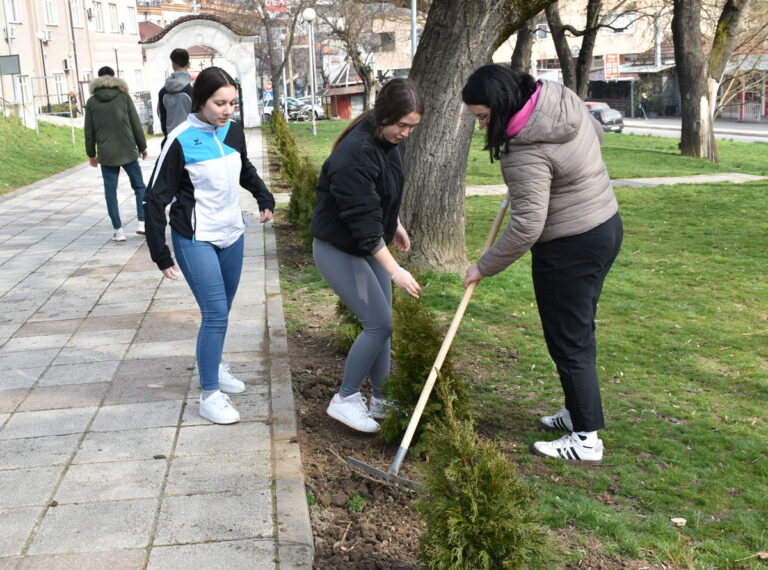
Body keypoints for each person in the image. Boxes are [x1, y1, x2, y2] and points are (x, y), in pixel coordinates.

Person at [462, 64, 623, 464]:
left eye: (484, 117)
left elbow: (526, 228)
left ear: (501, 104)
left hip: (568, 247)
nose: (482, 127)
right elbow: (597, 134)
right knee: (579, 331)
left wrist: (483, 266)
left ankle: (586, 440)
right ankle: (577, 411)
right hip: (605, 226)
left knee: (568, 339)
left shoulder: (523, 152)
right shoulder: (556, 99)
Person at [143, 67, 275, 425]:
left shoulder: (233, 131)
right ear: (200, 101)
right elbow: (155, 199)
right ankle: (210, 395)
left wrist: (263, 196)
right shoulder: (179, 139)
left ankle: (214, 365)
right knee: (215, 313)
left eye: (232, 103)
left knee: (222, 311)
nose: (227, 110)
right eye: (219, 103)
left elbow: (243, 168)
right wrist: (160, 253)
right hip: (195, 238)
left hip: (232, 234)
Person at [311, 78, 423, 433]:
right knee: (379, 322)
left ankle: (381, 398)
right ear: (383, 114)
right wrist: (396, 272)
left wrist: (395, 223)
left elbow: (382, 193)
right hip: (338, 247)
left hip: (365, 242)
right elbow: (362, 223)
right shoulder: (355, 154)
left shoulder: (390, 140)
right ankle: (344, 398)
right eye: (402, 125)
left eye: (412, 126)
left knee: (382, 323)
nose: (406, 133)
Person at [84, 65, 148, 241]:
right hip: (128, 150)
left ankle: (118, 231)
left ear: (98, 80)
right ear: (114, 78)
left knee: (110, 192)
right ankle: (142, 223)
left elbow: (89, 131)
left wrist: (91, 153)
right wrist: (142, 146)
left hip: (106, 153)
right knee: (139, 187)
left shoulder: (92, 102)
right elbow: (135, 123)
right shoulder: (124, 97)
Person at [158, 48, 193, 136]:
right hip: (191, 137)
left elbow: (162, 116)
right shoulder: (194, 89)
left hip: (171, 137)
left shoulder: (163, 91)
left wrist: (167, 136)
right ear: (189, 64)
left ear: (173, 65)